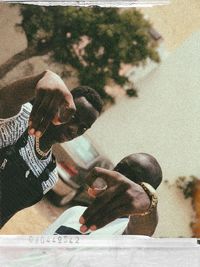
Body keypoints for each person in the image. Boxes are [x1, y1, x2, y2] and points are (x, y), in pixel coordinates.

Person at [0, 70, 103, 227]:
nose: (74, 130)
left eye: (83, 128)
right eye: (74, 118)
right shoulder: (21, 119)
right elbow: (7, 99)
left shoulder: (48, 176)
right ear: (61, 106)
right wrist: (42, 78)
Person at [44, 153, 162, 236]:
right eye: (120, 169)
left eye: (133, 179)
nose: (120, 178)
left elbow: (141, 233)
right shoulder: (74, 212)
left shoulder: (126, 233)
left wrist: (149, 204)